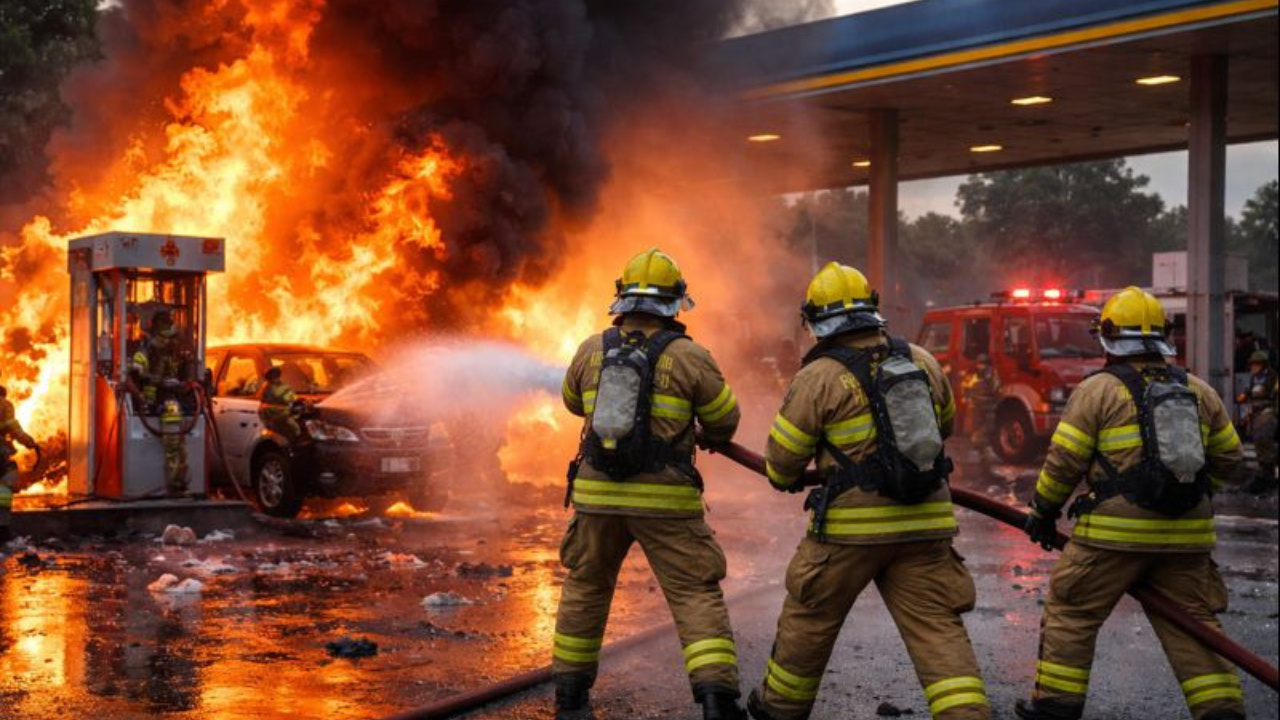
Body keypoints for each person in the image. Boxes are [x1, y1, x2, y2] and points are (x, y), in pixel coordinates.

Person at [748, 262, 989, 720]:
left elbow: (781, 465)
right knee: (937, 628)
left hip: (850, 532)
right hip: (926, 524)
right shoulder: (922, 360)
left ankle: (779, 710)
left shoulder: (817, 377)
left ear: (816, 320)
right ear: (871, 310)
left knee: (810, 617)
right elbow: (945, 428)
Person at [1016, 286, 1246, 720]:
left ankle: (1057, 707)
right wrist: (1194, 492)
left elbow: (1065, 460)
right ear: (1164, 337)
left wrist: (1043, 511)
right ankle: (1221, 710)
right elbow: (1231, 460)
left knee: (1072, 610)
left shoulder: (1098, 390)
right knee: (1193, 624)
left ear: (1107, 337)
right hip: (1188, 537)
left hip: (1113, 538)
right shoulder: (1198, 389)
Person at [553, 248, 745, 720]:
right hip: (666, 500)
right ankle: (717, 703)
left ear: (622, 299)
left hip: (597, 497)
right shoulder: (690, 356)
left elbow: (573, 403)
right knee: (694, 593)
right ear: (674, 303)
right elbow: (725, 422)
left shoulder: (591, 349)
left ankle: (570, 701)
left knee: (586, 589)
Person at [1, 385, 40, 543]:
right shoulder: (4, 404)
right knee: (4, 486)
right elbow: (14, 428)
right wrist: (31, 443)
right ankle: (2, 530)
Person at [1244, 350, 1277, 494]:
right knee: (1258, 442)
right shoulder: (1254, 378)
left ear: (1263, 365)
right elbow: (1250, 392)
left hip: (1268, 411)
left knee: (1264, 439)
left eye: (1256, 364)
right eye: (1252, 364)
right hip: (1255, 412)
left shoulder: (1272, 378)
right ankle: (1263, 471)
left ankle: (1268, 474)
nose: (1253, 367)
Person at [962, 353, 1001, 466]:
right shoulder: (974, 375)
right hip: (976, 408)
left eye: (983, 364)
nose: (981, 367)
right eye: (979, 364)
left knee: (984, 432)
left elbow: (996, 389)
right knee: (975, 431)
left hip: (988, 408)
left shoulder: (991, 375)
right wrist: (967, 397)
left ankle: (985, 456)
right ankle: (981, 455)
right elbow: (966, 386)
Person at [259, 366, 303, 446]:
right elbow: (285, 397)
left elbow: (290, 395)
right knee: (294, 428)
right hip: (278, 415)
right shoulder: (271, 387)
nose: (277, 377)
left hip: (279, 414)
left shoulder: (276, 385)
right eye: (274, 375)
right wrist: (295, 399)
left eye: (277, 375)